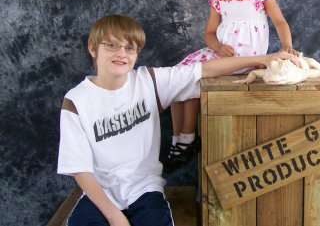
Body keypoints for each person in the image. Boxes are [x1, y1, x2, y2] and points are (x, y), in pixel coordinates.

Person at [57, 14, 299, 226]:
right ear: (92, 48)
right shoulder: (77, 101)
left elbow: (206, 69)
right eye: (111, 45)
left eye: (130, 48)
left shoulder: (148, 81)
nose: (121, 54)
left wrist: (262, 59)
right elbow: (80, 169)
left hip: (143, 191)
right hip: (98, 193)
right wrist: (114, 217)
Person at [165, 0, 300, 173]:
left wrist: (286, 45)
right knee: (177, 75)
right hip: (221, 55)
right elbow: (209, 33)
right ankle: (178, 139)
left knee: (193, 79)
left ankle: (187, 138)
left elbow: (279, 21)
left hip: (246, 59)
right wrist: (217, 46)